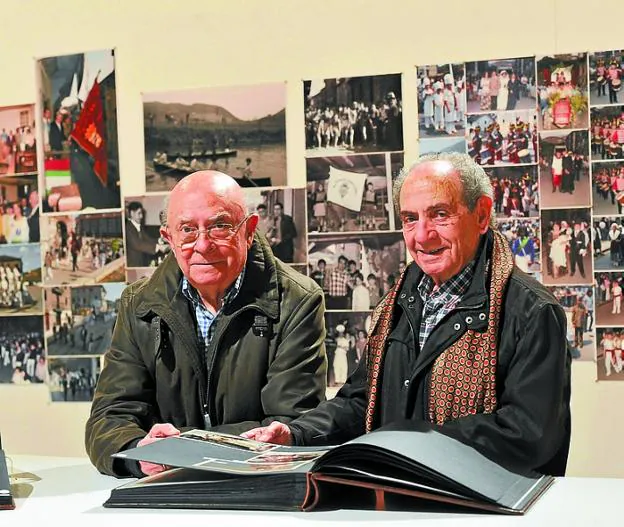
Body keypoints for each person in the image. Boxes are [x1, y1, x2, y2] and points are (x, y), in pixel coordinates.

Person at [243, 152, 572, 477]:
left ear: (482, 215)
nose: (422, 235)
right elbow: (360, 402)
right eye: (410, 218)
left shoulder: (532, 311)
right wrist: (295, 434)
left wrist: (409, 446)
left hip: (483, 511)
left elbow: (529, 434)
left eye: (440, 214)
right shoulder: (397, 302)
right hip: (400, 494)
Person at [85, 170, 328, 477]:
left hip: (259, 486)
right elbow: (108, 419)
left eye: (220, 226)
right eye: (187, 230)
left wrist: (182, 448)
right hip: (164, 489)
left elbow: (292, 421)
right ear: (168, 239)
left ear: (249, 230)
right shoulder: (139, 303)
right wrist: (139, 451)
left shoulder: (297, 300)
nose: (202, 245)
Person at [124, 201, 161, 267]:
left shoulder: (138, 226)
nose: (141, 216)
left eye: (142, 213)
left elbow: (147, 239)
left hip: (140, 262)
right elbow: (137, 244)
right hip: (133, 265)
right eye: (139, 213)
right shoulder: (128, 228)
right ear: (132, 213)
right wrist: (157, 247)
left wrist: (160, 240)